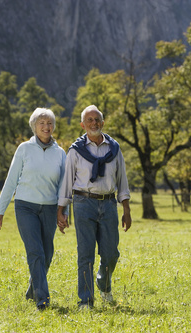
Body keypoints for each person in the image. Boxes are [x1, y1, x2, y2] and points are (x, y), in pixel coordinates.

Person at [57, 104, 131, 309]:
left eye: (97, 119)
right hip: (83, 203)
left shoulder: (114, 149)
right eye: (89, 120)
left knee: (110, 253)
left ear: (103, 122)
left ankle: (103, 283)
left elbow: (122, 180)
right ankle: (85, 300)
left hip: (108, 204)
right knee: (85, 253)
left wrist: (126, 209)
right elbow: (67, 183)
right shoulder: (75, 151)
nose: (94, 123)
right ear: (83, 125)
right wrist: (61, 210)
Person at [0, 108, 66, 311]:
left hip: (50, 208)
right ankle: (42, 299)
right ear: (34, 126)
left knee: (48, 252)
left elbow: (64, 185)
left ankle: (32, 290)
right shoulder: (24, 149)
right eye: (42, 123)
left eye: (49, 123)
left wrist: (64, 212)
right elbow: (11, 181)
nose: (46, 126)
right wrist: (0, 210)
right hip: (25, 206)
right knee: (35, 251)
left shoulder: (60, 153)